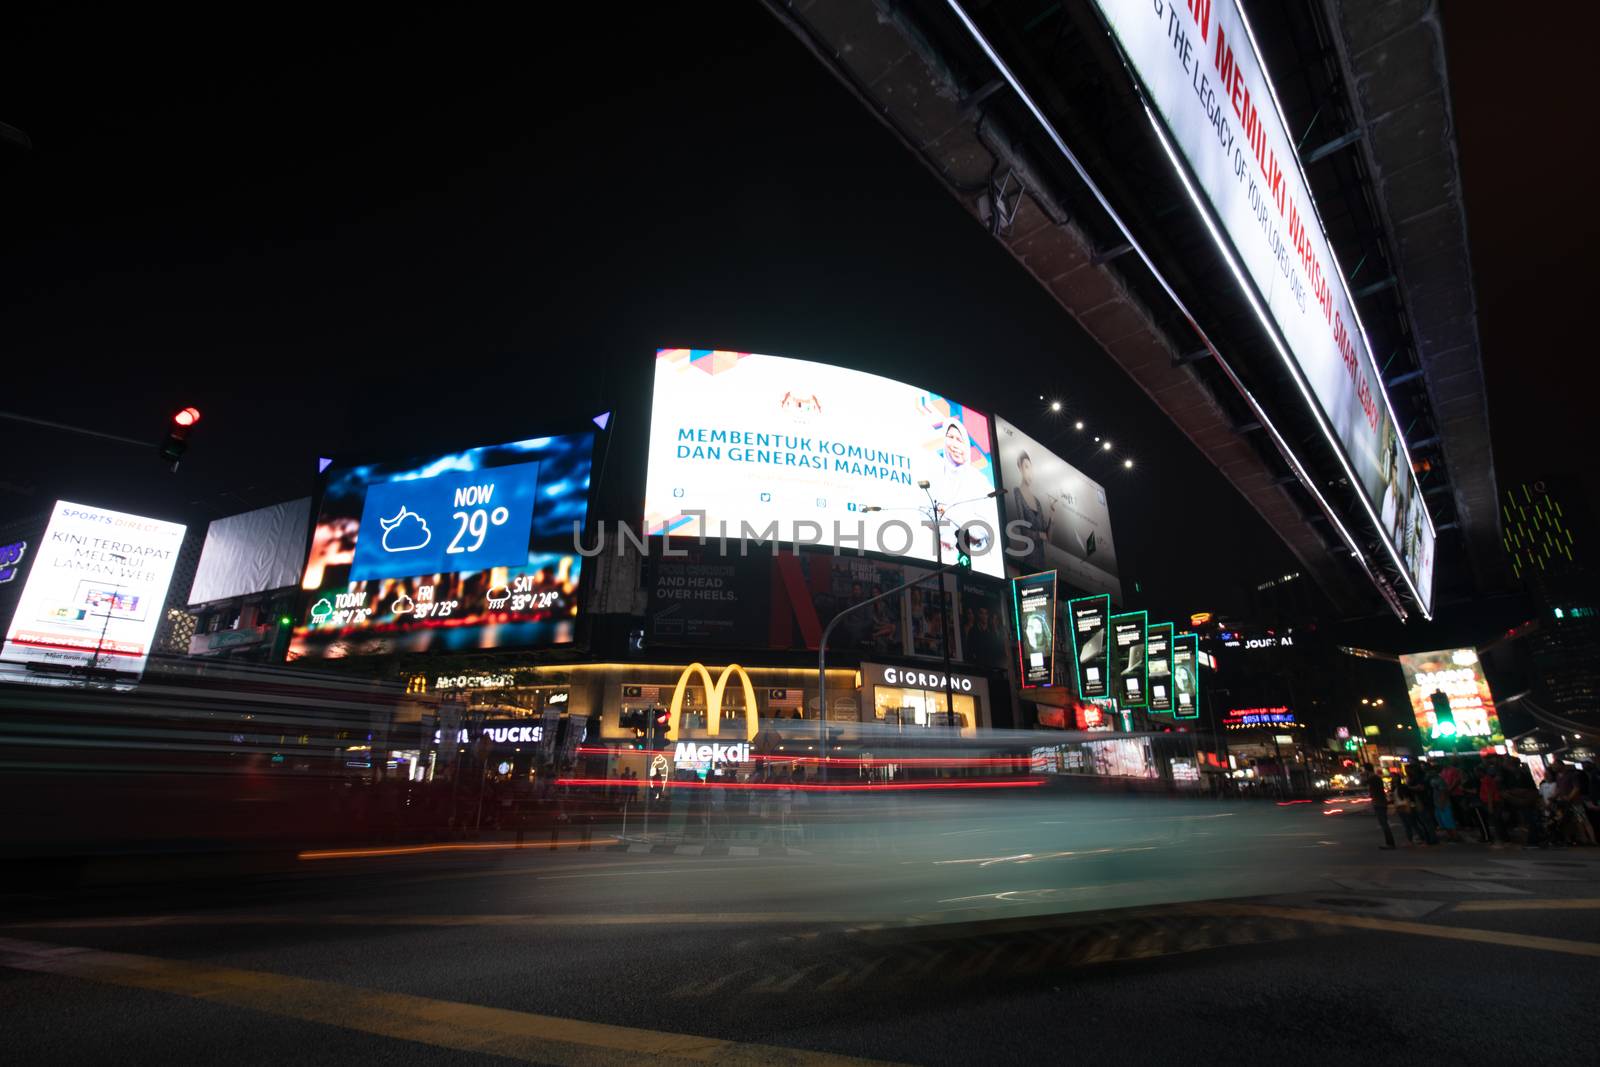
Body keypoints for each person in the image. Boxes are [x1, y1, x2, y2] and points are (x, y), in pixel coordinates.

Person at [1365, 764, 1395, 849]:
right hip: (1381, 801)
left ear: (1367, 770)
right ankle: (1389, 843)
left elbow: (1364, 782)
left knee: (1384, 824)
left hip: (1379, 802)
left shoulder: (1373, 778)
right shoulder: (1376, 778)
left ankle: (1390, 843)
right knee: (1384, 823)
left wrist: (1364, 775)